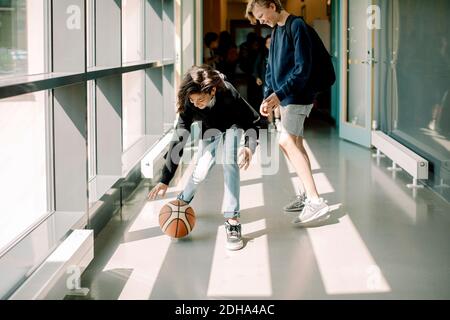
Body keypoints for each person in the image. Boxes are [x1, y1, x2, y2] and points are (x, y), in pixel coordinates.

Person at [148, 65, 260, 250]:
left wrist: (249, 147)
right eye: (193, 101)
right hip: (210, 131)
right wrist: (165, 178)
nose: (196, 104)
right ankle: (183, 201)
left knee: (229, 163)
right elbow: (179, 138)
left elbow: (252, 121)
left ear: (213, 91)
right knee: (200, 171)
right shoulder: (189, 101)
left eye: (200, 100)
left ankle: (232, 220)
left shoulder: (229, 93)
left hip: (231, 127)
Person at [246, 0, 330, 224]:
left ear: (273, 6)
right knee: (296, 145)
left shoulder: (297, 26)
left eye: (262, 15)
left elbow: (303, 69)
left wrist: (279, 95)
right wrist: (268, 96)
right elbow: (271, 69)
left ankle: (315, 201)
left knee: (286, 142)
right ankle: (307, 194)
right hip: (286, 97)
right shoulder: (276, 33)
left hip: (298, 95)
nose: (261, 21)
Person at [253, 34, 281, 132]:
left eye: (272, 42)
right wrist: (257, 77)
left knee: (278, 100)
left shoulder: (279, 53)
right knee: (268, 102)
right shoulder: (262, 54)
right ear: (265, 44)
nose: (270, 44)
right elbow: (256, 66)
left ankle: (278, 121)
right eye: (268, 42)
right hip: (266, 83)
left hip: (278, 82)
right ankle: (270, 123)